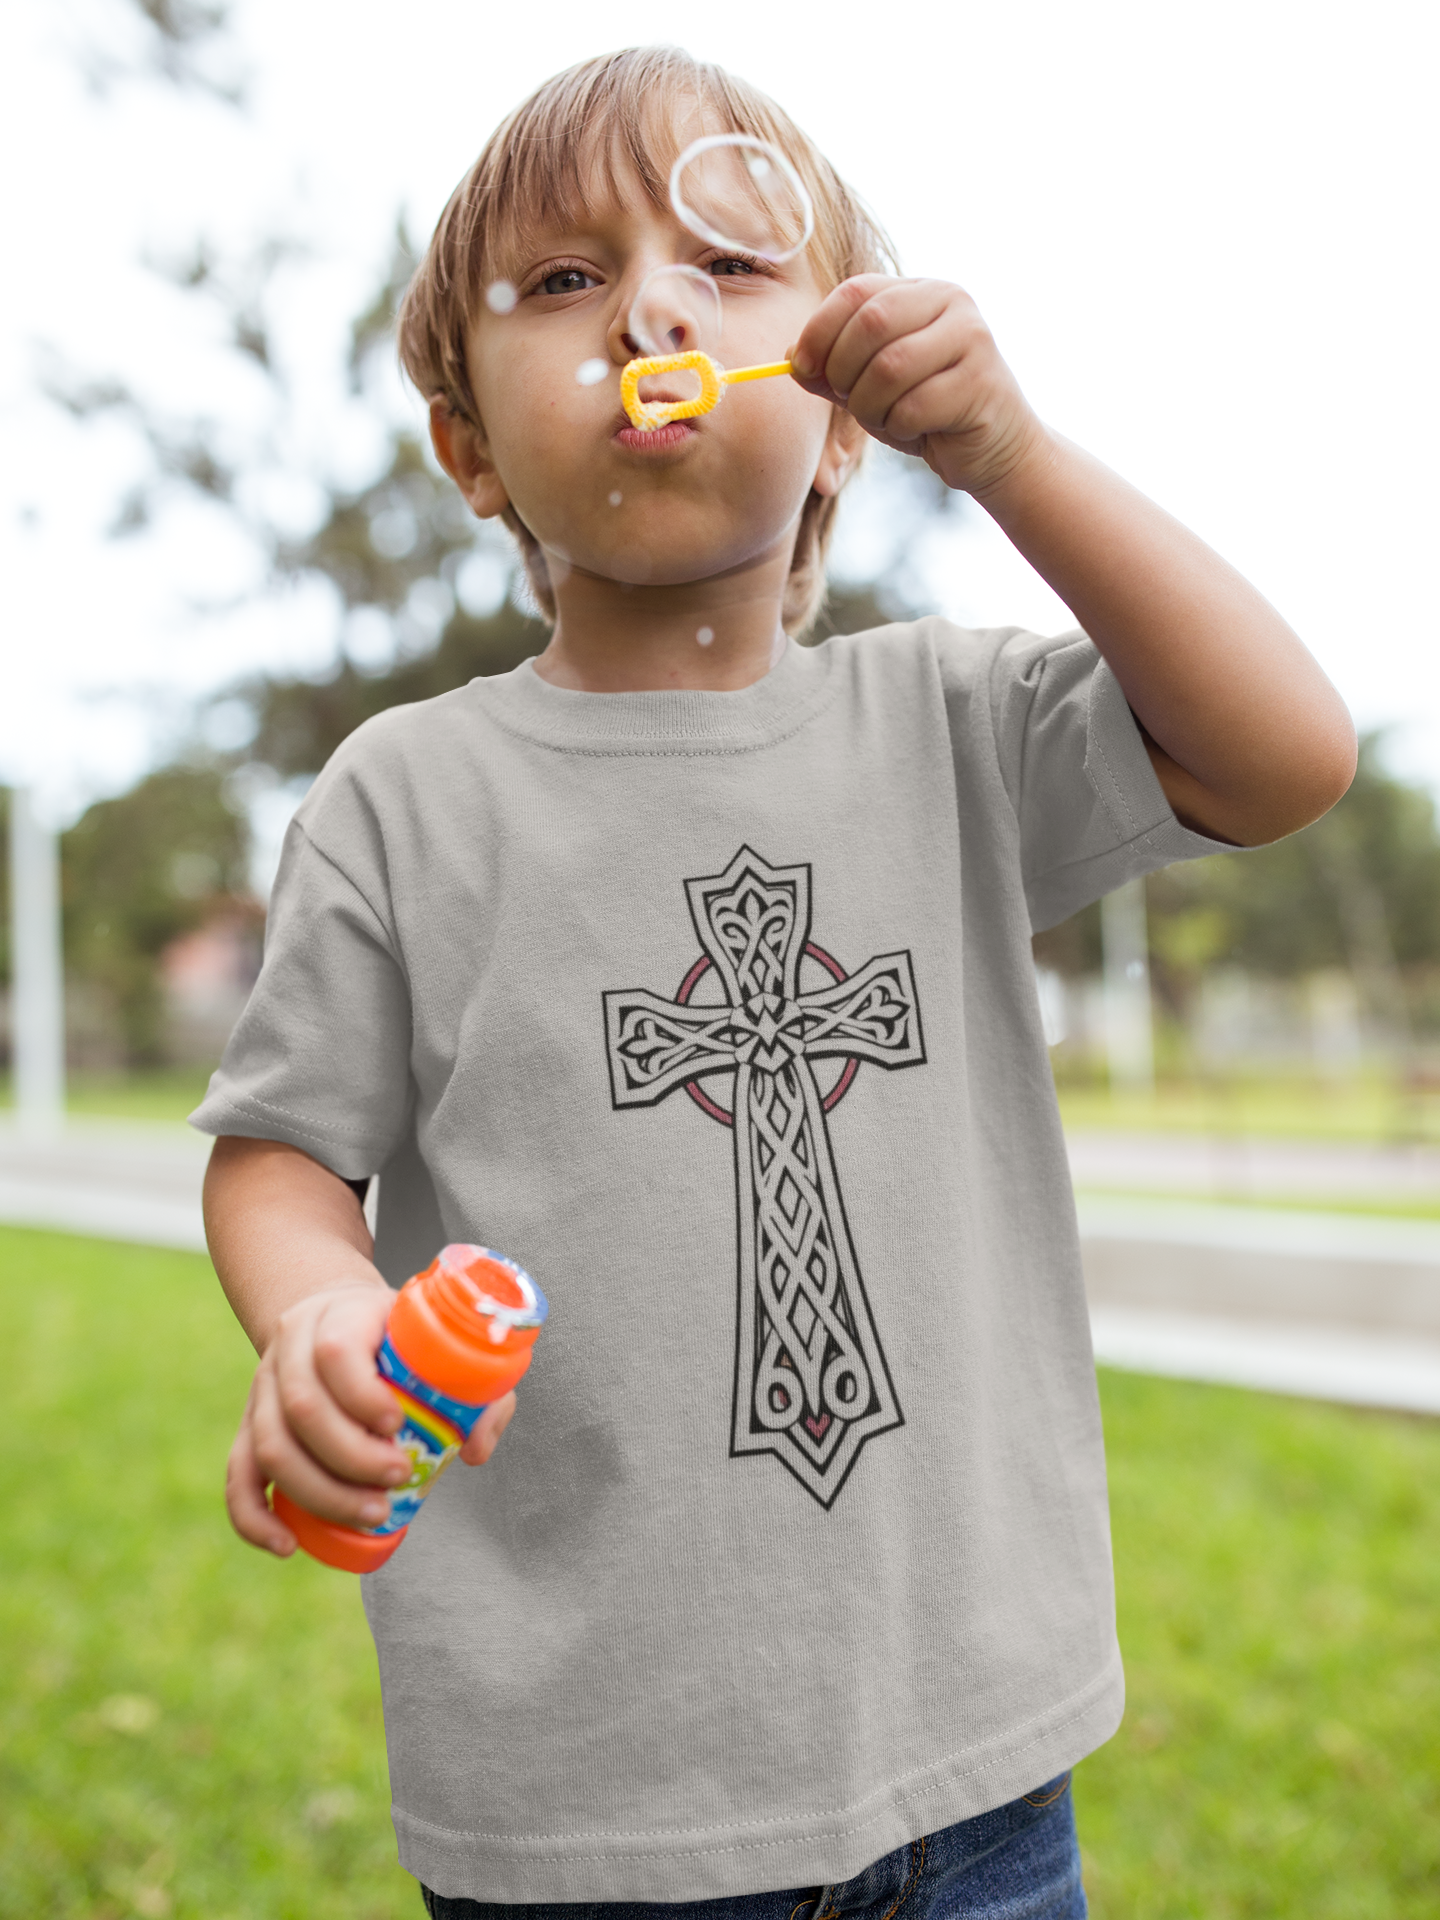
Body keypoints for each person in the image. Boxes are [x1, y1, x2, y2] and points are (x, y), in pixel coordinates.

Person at [194, 46, 1356, 1920]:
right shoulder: (405, 799)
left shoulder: (953, 726)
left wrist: (1018, 458)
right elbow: (280, 1152)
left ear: (836, 413)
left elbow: (1283, 756)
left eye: (729, 266)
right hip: (583, 1809)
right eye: (565, 282)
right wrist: (320, 1313)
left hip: (978, 1771)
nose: (651, 304)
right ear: (470, 446)